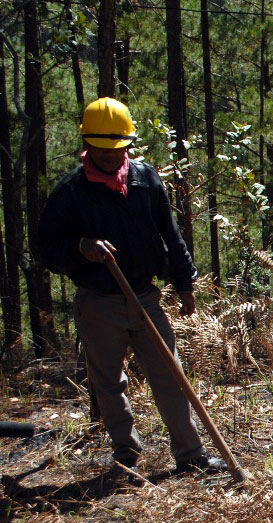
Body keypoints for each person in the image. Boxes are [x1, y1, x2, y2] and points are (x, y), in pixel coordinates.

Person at [37, 97, 225, 477]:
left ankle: (190, 454)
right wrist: (81, 248)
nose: (109, 157)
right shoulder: (71, 193)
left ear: (128, 145)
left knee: (170, 375)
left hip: (145, 296)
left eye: (117, 149)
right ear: (87, 145)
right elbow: (46, 249)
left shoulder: (145, 179)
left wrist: (185, 282)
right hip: (99, 302)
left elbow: (170, 235)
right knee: (109, 382)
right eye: (101, 150)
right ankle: (126, 454)